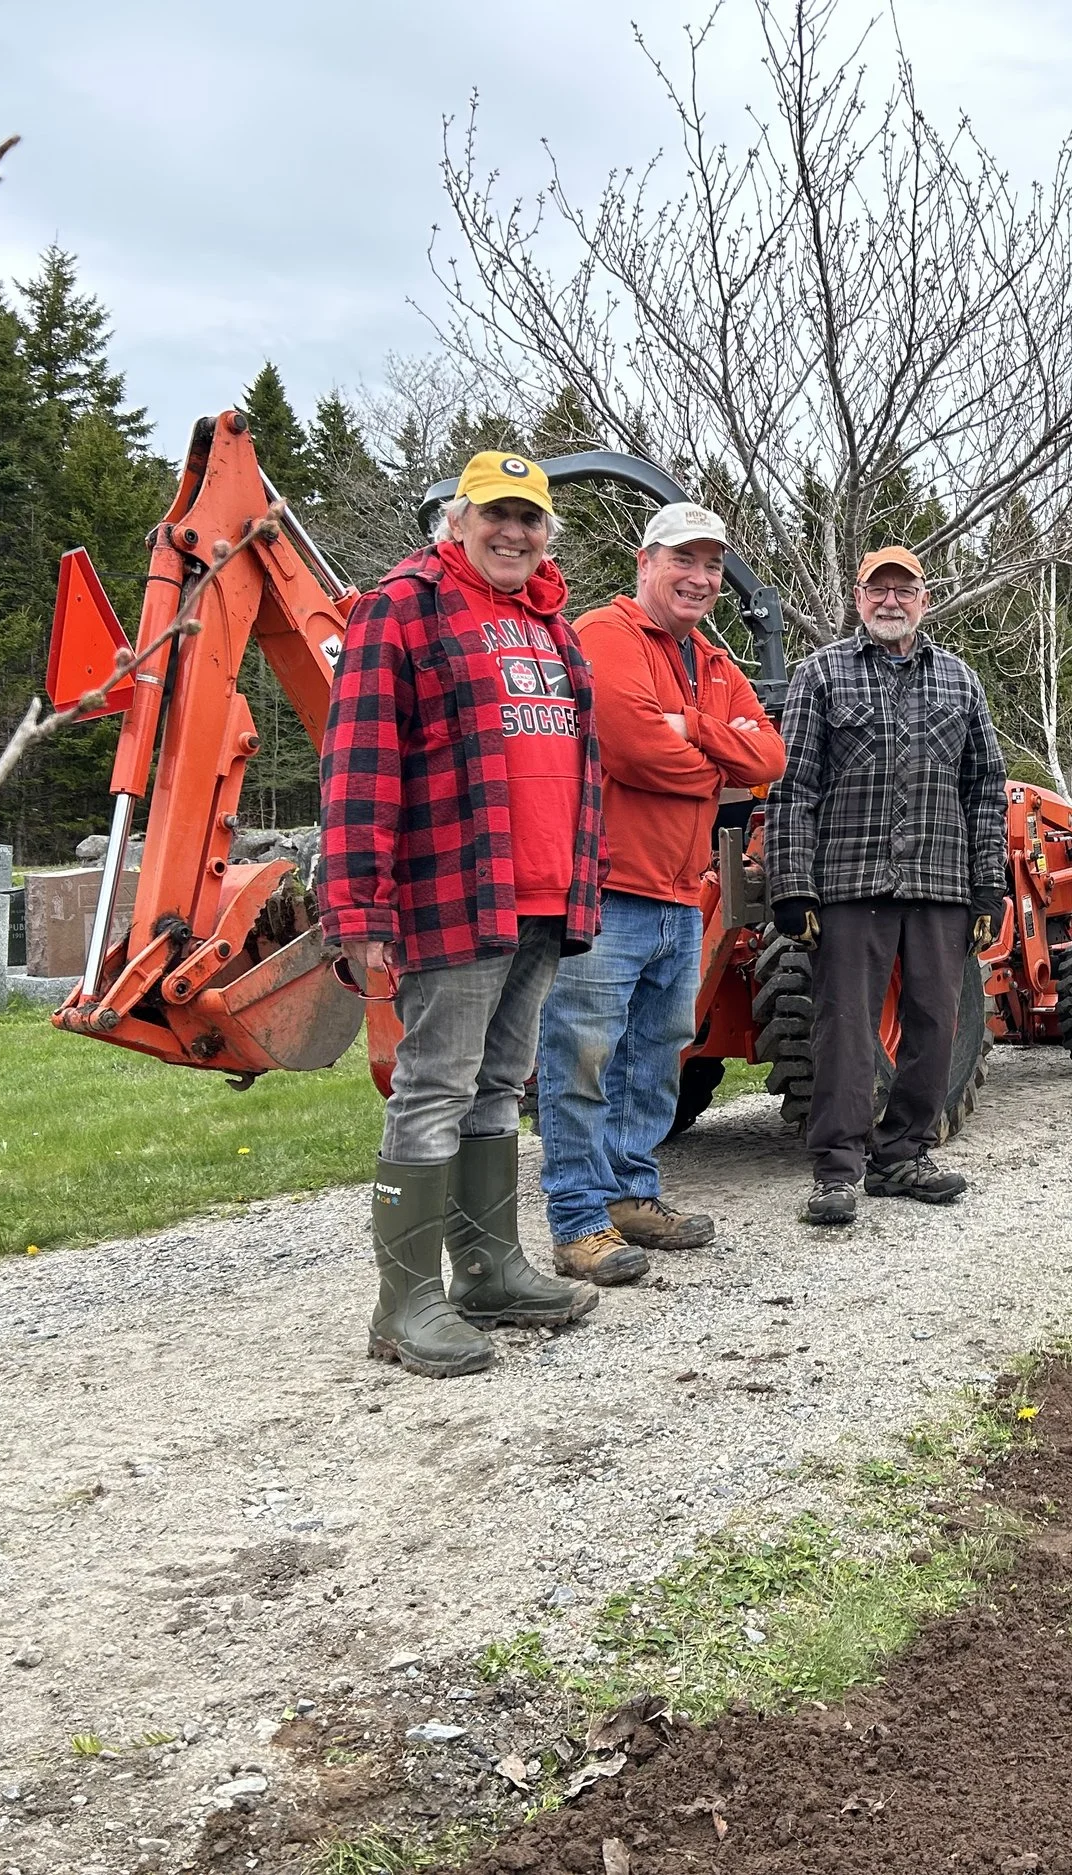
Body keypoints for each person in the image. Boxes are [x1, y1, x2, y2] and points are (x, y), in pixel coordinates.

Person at [321, 451, 604, 1379]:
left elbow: (576, 767)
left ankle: (486, 1269)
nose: (513, 532)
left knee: (498, 1082)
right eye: (496, 514)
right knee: (435, 1082)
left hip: (543, 894)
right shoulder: (402, 606)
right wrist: (355, 905)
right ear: (457, 519)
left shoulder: (550, 624)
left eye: (529, 518)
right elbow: (358, 762)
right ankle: (403, 1304)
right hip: (455, 891)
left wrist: (579, 882)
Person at [534, 503, 784, 1279]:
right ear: (646, 563)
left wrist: (693, 727)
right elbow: (638, 750)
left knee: (653, 1059)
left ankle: (631, 1195)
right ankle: (577, 1220)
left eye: (712, 565)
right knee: (582, 1057)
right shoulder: (605, 637)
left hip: (682, 895)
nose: (701, 578)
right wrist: (716, 755)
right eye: (685, 560)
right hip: (609, 891)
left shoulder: (710, 660)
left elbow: (769, 755)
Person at [766, 545, 1008, 1226]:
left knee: (935, 1022)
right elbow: (794, 787)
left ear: (924, 600)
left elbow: (985, 790)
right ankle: (836, 1170)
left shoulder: (961, 681)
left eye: (905, 590)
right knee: (844, 1031)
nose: (892, 601)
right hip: (850, 882)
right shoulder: (821, 675)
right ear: (858, 596)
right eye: (879, 590)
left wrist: (988, 886)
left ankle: (903, 1154)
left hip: (940, 882)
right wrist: (793, 885)